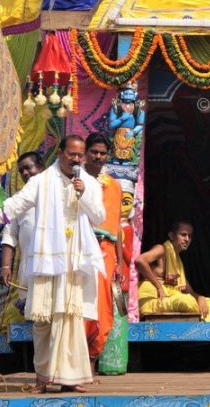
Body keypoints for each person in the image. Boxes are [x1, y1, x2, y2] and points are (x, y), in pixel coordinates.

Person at [1, 135, 105, 393]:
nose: (77, 159)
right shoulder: (41, 181)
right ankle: (43, 378)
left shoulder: (89, 183)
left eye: (80, 155)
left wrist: (84, 194)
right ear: (60, 153)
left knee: (70, 318)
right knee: (43, 319)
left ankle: (70, 379)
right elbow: (17, 204)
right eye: (72, 154)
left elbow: (99, 216)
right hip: (47, 259)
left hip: (73, 261)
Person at [82, 133, 126, 372]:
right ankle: (77, 363)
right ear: (85, 153)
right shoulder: (75, 181)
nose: (98, 157)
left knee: (104, 308)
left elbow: (117, 226)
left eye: (102, 153)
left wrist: (119, 262)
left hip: (106, 250)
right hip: (80, 247)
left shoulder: (114, 186)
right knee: (80, 305)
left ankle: (91, 360)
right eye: (94, 152)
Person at [136, 221, 210, 321]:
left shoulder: (177, 262)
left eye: (190, 236)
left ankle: (202, 330)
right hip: (151, 300)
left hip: (169, 299)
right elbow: (140, 261)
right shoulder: (162, 249)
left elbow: (190, 291)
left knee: (207, 302)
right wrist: (158, 287)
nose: (187, 239)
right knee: (187, 301)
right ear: (171, 236)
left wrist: (200, 297)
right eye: (183, 235)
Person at [0, 151, 45, 301]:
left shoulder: (57, 192)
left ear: (41, 167)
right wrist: (5, 266)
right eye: (21, 171)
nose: (25, 173)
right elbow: (9, 234)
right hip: (28, 271)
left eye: (28, 167)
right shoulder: (18, 200)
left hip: (53, 268)